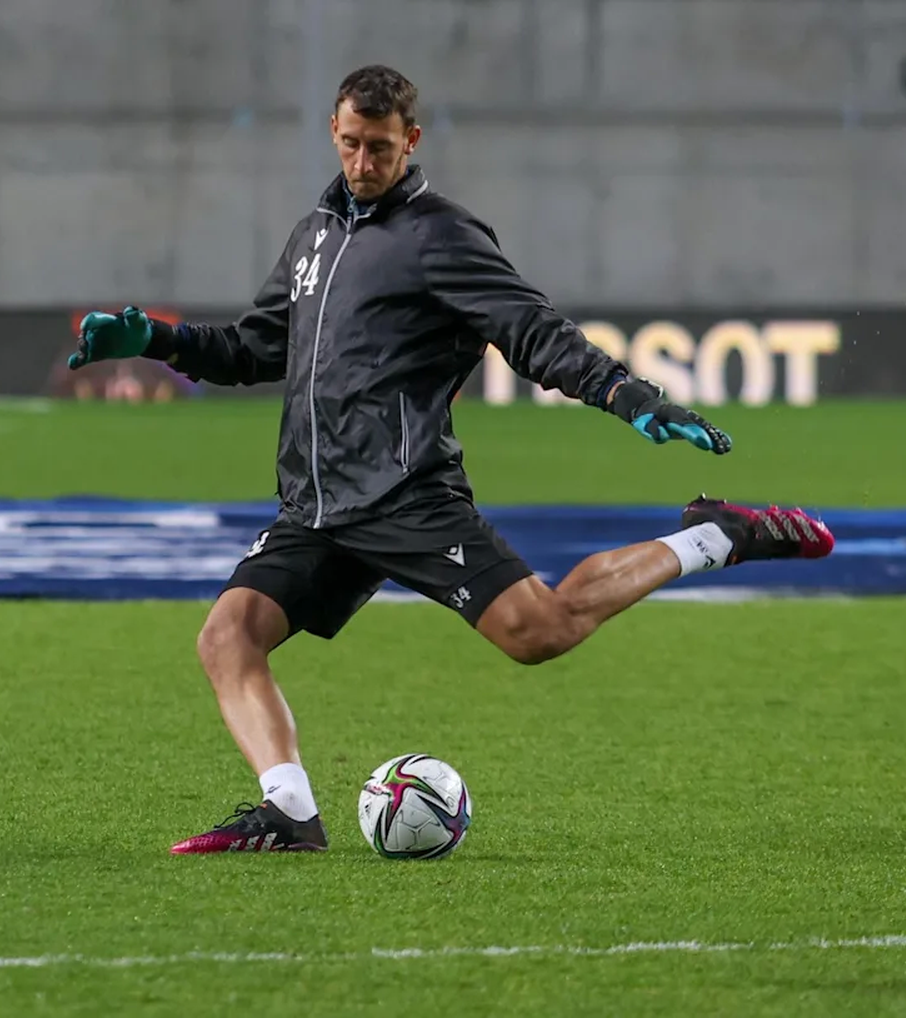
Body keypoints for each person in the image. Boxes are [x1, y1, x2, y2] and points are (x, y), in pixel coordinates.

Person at [69, 65, 835, 855]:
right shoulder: (314, 236)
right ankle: (289, 815)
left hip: (406, 497)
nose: (364, 164)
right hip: (316, 508)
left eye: (381, 148)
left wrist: (628, 394)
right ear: (333, 134)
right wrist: (158, 341)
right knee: (228, 636)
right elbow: (256, 347)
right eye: (351, 145)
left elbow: (532, 331)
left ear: (412, 141)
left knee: (540, 631)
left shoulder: (441, 237)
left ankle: (715, 536)